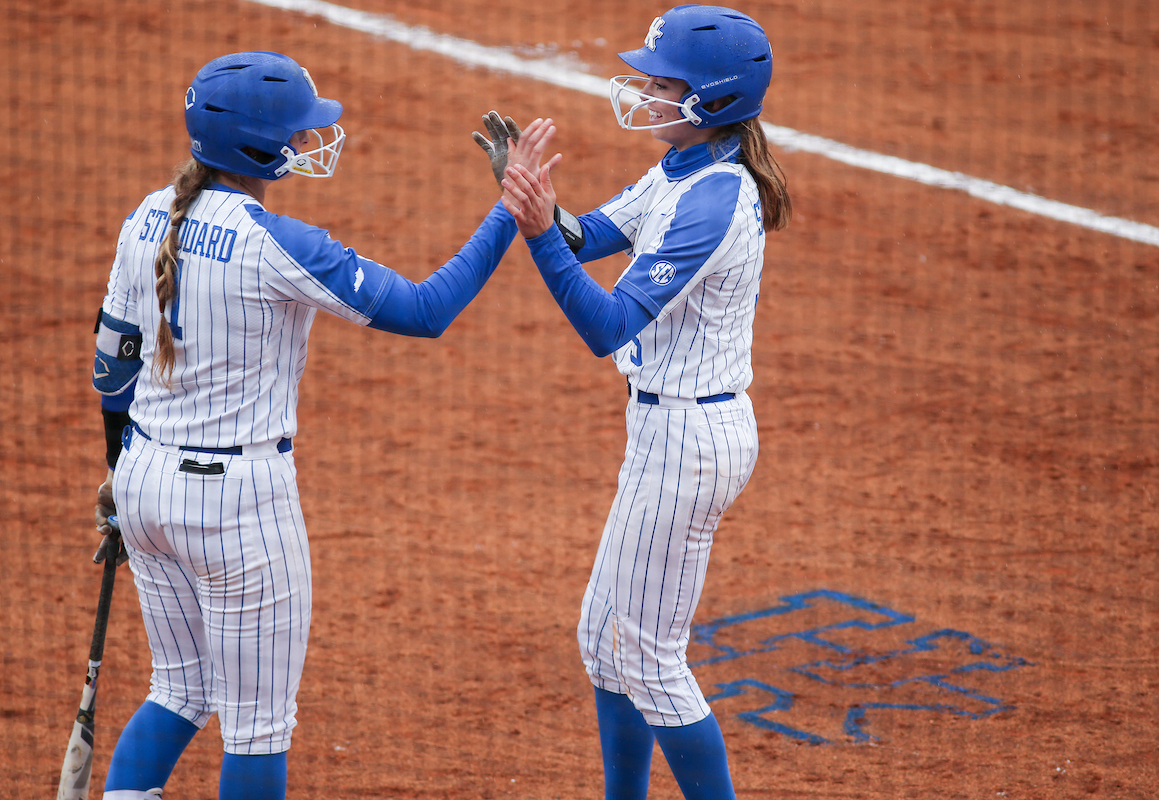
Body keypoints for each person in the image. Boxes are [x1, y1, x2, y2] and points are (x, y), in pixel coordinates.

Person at [89, 52, 541, 800]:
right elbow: (426, 310)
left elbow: (113, 365)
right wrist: (507, 207)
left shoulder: (145, 217)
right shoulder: (281, 244)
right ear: (259, 149)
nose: (309, 142)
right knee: (257, 730)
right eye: (297, 133)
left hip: (143, 483)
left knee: (178, 692)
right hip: (238, 512)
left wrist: (116, 471)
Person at [497, 6, 791, 799]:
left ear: (715, 99)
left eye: (664, 83)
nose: (645, 92)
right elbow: (588, 234)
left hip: (691, 441)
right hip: (665, 426)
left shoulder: (713, 200)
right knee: (603, 641)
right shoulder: (680, 166)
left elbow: (608, 323)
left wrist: (532, 235)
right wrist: (530, 196)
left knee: (649, 659)